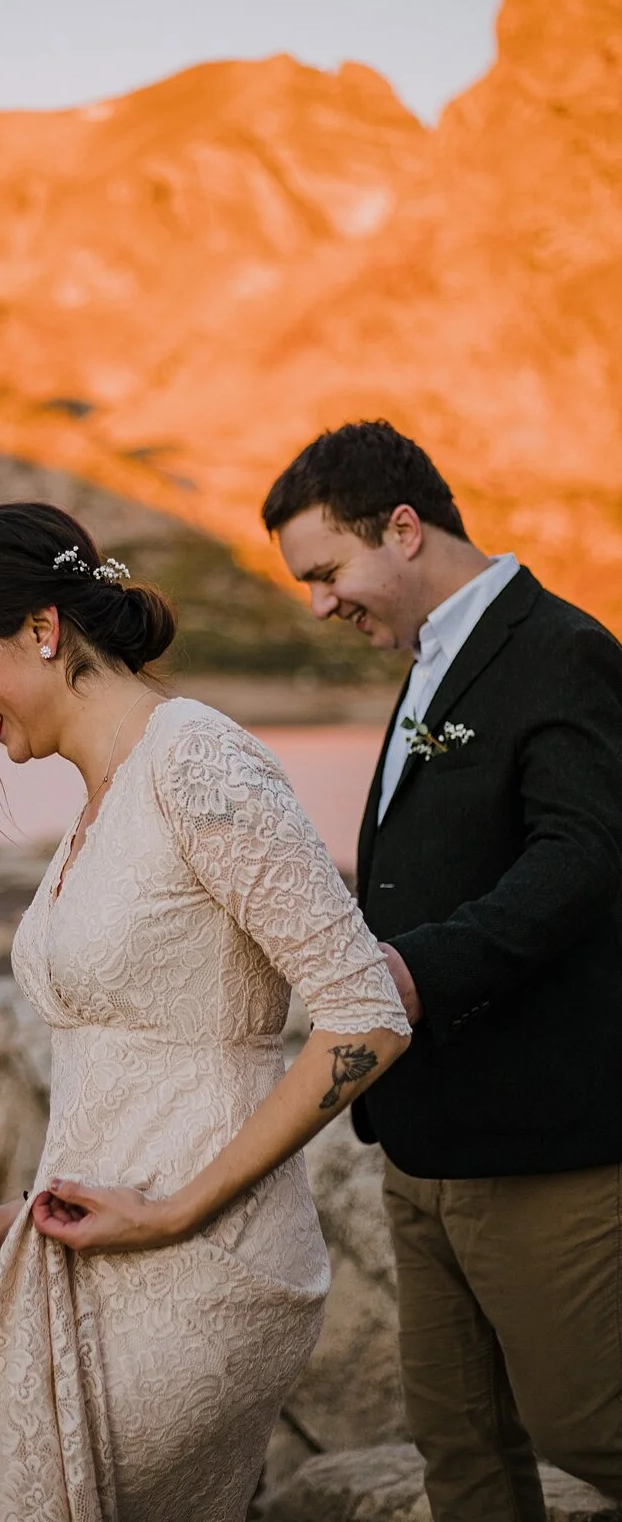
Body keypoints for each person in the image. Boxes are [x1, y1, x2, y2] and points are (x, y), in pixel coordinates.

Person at [0, 500, 409, 1522]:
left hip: (200, 1266)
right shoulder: (104, 798)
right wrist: (29, 1215)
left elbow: (365, 1014)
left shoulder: (195, 760)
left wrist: (174, 1207)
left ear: (43, 629)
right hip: (97, 1246)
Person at [263, 419, 622, 1522]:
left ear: (404, 529)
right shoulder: (435, 659)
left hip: (538, 1141)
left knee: (588, 1428)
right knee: (458, 1446)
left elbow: (585, 854)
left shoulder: (561, 648)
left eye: (326, 572)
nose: (319, 604)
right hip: (418, 1141)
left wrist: (414, 972)